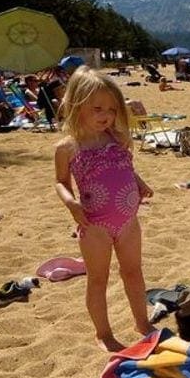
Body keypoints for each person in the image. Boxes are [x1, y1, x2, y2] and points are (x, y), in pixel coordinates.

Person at [54, 67, 153, 352]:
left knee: (133, 272)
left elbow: (125, 168)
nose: (105, 115)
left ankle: (142, 323)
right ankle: (103, 333)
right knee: (98, 279)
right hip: (94, 224)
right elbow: (60, 182)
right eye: (97, 108)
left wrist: (139, 183)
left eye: (111, 109)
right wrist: (70, 202)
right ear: (76, 105)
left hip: (128, 221)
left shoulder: (116, 138)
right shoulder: (68, 147)